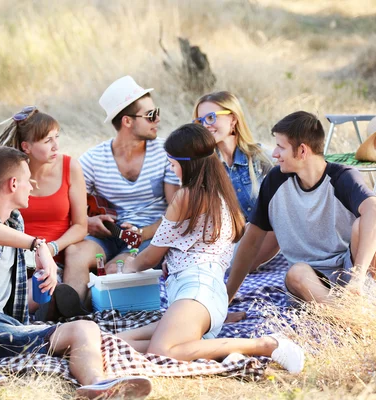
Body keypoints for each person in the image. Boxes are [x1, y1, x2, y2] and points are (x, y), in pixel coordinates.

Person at [0, 147, 151, 399]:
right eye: (28, 179)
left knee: (85, 328)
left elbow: (8, 298)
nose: (33, 184)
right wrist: (38, 244)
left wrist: (43, 282)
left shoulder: (15, 222)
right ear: (13, 184)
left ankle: (98, 386)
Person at [116, 124, 305, 374]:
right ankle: (219, 350)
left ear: (186, 164)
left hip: (196, 294)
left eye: (173, 164)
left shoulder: (187, 196)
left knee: (161, 352)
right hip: (206, 299)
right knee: (118, 343)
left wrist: (127, 266)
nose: (172, 171)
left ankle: (265, 345)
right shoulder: (220, 195)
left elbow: (148, 257)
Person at [226, 111, 376, 310]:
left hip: (350, 274)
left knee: (371, 228)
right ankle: (351, 317)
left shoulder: (342, 177)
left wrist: (357, 276)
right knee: (296, 272)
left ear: (302, 151)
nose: (275, 154)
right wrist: (227, 296)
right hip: (309, 283)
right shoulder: (275, 181)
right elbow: (251, 241)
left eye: (281, 147)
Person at [76, 76, 180, 273]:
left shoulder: (167, 151)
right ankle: (70, 302)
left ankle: (92, 300)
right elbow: (70, 205)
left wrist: (143, 233)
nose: (157, 119)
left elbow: (176, 210)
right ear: (127, 121)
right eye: (151, 115)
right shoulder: (93, 159)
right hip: (108, 236)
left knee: (117, 268)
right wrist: (87, 222)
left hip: (151, 236)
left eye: (156, 113)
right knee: (76, 254)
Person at [0, 106, 90, 319]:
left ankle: (54, 304)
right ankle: (51, 307)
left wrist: (52, 247)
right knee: (16, 284)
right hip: (19, 254)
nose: (56, 145)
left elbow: (80, 226)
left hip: (55, 254)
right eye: (48, 141)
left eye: (56, 137)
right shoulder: (10, 174)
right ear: (26, 147)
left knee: (44, 279)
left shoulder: (70, 167)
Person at [193, 91, 279, 271]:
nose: (205, 126)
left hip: (266, 243)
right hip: (227, 249)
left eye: (210, 117)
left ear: (233, 119)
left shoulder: (261, 157)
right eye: (200, 121)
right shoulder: (202, 166)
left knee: (275, 219)